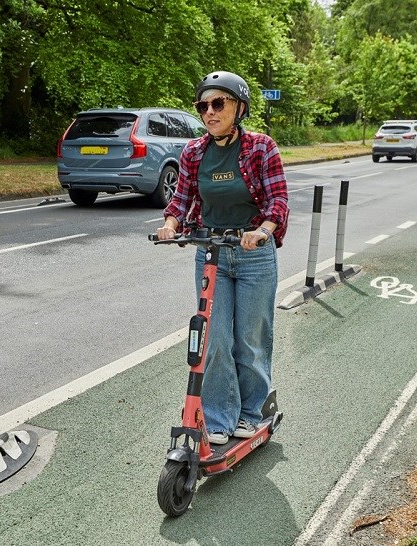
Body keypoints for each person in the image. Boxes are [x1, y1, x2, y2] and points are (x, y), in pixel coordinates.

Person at [156, 71, 289, 445]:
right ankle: (218, 417)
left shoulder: (262, 147)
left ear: (239, 107)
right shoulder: (194, 152)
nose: (209, 111)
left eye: (219, 103)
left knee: (250, 339)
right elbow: (180, 200)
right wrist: (171, 224)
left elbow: (278, 199)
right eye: (203, 105)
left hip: (253, 256)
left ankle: (251, 412)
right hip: (211, 254)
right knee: (213, 340)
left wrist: (262, 231)